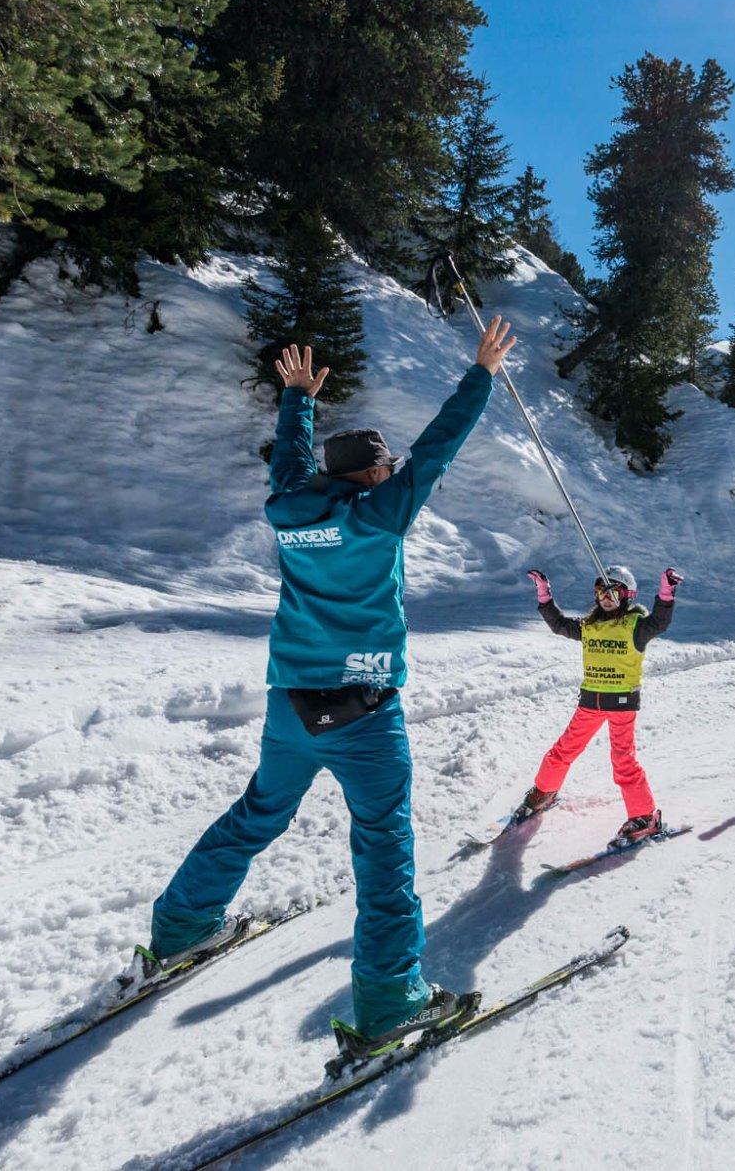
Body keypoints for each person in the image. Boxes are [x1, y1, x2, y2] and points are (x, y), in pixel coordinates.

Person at [139, 322, 514, 1068]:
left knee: (257, 813)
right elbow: (437, 449)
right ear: (372, 476)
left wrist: (296, 400)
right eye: (387, 468)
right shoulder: (381, 516)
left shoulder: (290, 510)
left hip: (290, 707)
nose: (394, 473)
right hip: (366, 713)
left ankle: (181, 927)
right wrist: (481, 375)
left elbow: (287, 466)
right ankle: (389, 1001)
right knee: (383, 852)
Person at [514, 564, 682, 844]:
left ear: (627, 595)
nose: (606, 596)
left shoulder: (635, 626)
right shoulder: (589, 626)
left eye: (613, 591)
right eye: (601, 590)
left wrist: (666, 593)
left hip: (622, 704)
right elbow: (559, 625)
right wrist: (544, 596)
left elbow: (660, 623)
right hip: (590, 703)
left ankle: (644, 817)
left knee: (623, 760)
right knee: (562, 751)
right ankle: (544, 792)